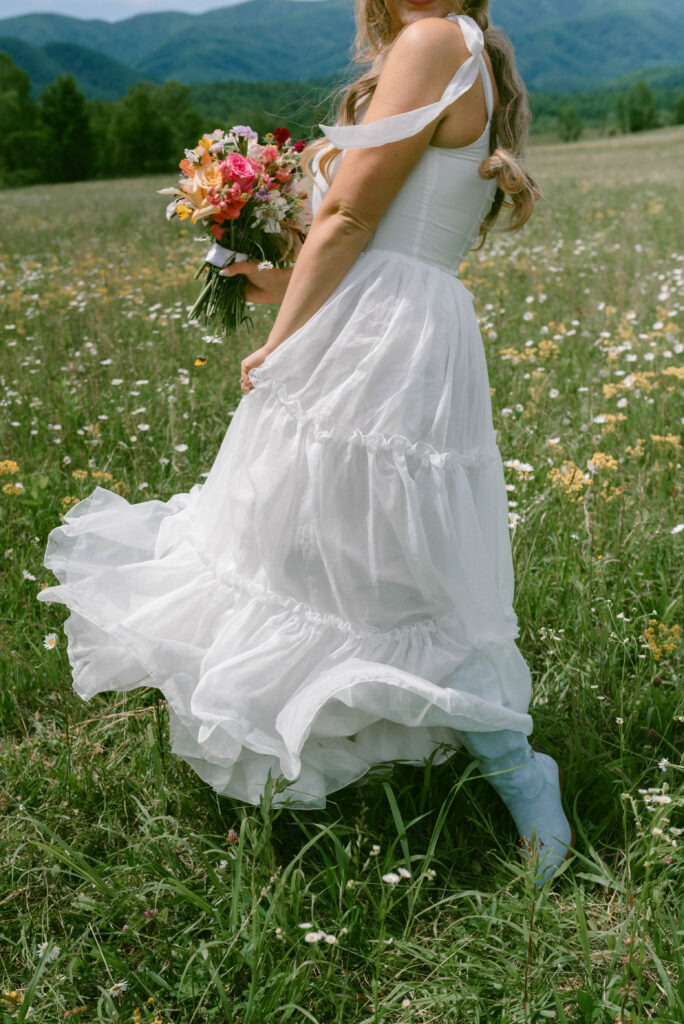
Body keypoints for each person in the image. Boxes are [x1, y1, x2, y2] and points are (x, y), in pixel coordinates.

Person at [38, 0, 573, 886]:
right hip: (380, 320)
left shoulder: (437, 38)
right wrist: (273, 281)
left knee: (402, 559)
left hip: (385, 341)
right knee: (307, 545)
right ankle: (362, 728)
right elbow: (369, 239)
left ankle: (520, 773)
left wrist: (282, 340)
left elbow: (351, 223)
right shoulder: (440, 47)